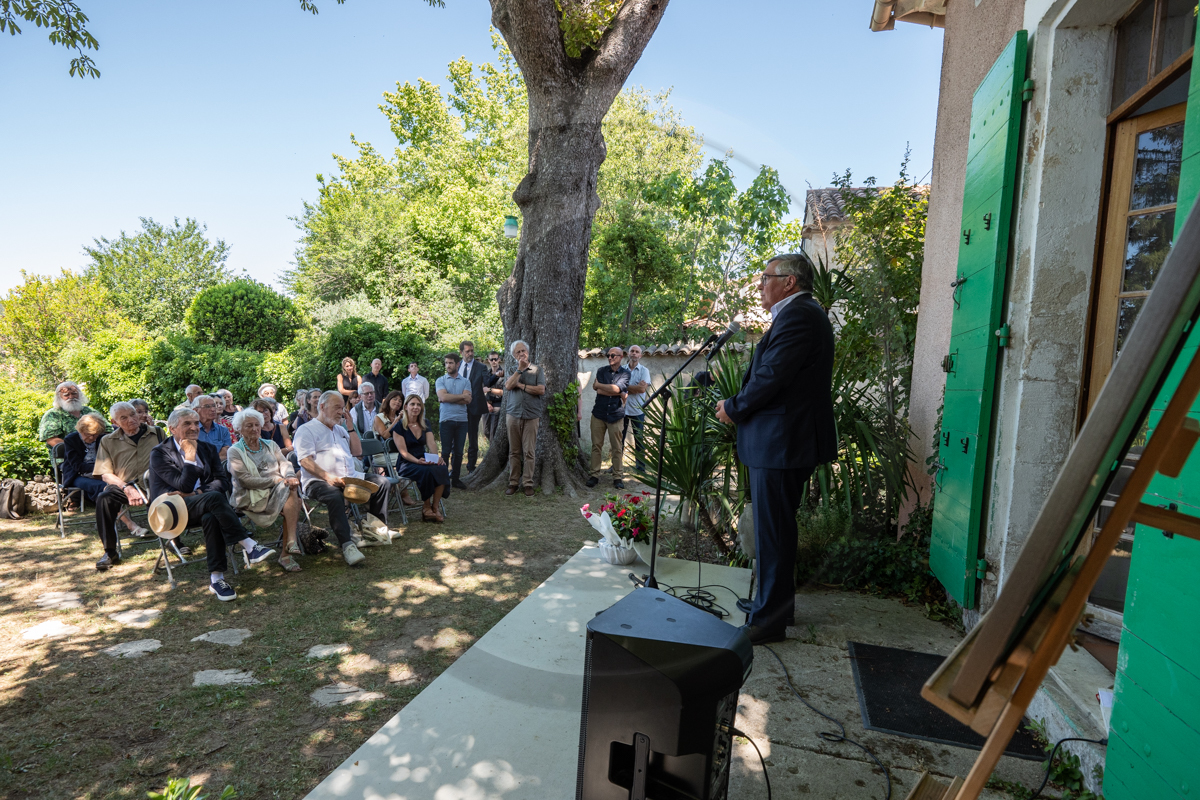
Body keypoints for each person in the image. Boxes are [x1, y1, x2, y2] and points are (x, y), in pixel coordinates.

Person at [716, 252, 836, 646]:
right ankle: (774, 607)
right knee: (775, 530)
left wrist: (733, 408)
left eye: (766, 277)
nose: (760, 284)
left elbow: (772, 377)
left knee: (774, 531)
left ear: (790, 281)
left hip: (782, 444)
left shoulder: (800, 315)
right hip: (779, 443)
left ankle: (770, 621)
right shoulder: (797, 314)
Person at [149, 407, 276, 601]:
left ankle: (216, 579)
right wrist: (190, 457)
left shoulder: (207, 448)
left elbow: (222, 481)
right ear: (172, 428)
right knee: (215, 499)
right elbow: (182, 484)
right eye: (187, 424)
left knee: (211, 514)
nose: (194, 427)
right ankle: (248, 544)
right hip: (170, 511)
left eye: (195, 423)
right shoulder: (160, 453)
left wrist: (196, 493)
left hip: (204, 505)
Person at [293, 391, 389, 566]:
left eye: (342, 407)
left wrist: (350, 427)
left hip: (349, 477)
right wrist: (328, 477)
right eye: (336, 407)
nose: (341, 411)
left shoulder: (340, 429)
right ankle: (348, 545)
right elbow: (304, 461)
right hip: (318, 481)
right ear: (322, 407)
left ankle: (375, 530)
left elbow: (357, 452)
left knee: (382, 483)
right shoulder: (305, 430)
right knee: (334, 495)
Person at [90, 402, 170, 570]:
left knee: (169, 493)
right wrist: (126, 488)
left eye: (133, 414)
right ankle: (110, 551)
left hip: (155, 484)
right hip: (125, 486)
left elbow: (170, 459)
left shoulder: (156, 433)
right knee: (104, 498)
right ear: (115, 421)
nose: (131, 419)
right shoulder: (107, 441)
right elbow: (105, 473)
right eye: (123, 418)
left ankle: (175, 540)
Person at [229, 408, 304, 572]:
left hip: (278, 490)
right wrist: (276, 480)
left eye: (257, 425)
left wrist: (289, 476)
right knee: (295, 499)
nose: (255, 429)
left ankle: (289, 547)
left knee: (291, 490)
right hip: (250, 497)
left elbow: (285, 464)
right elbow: (245, 480)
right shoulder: (234, 451)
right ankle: (287, 551)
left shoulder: (271, 444)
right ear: (239, 429)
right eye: (249, 425)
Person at [390, 394, 451, 522]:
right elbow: (403, 453)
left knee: (441, 467)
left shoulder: (425, 423)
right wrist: (417, 461)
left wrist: (436, 458)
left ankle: (435, 506)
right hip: (407, 462)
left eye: (418, 405)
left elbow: (431, 443)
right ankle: (426, 507)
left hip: (424, 458)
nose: (416, 407)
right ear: (406, 407)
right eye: (412, 404)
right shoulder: (399, 427)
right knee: (426, 471)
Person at [503, 340, 546, 496]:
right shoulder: (512, 369)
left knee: (529, 452)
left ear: (528, 352)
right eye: (518, 352)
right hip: (513, 415)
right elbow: (508, 386)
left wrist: (521, 385)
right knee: (514, 451)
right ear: (514, 356)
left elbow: (541, 390)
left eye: (523, 351)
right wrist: (519, 371)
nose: (521, 354)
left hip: (531, 415)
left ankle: (527, 483)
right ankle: (513, 482)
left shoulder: (537, 370)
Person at [586, 347, 631, 489]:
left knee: (617, 447)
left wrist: (603, 387)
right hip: (598, 413)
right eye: (608, 355)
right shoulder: (601, 371)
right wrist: (617, 392)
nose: (610, 358)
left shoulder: (625, 373)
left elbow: (616, 389)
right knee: (596, 446)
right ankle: (594, 475)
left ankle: (618, 477)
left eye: (613, 355)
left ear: (621, 356)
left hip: (615, 415)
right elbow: (600, 390)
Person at [436, 353, 472, 490]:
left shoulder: (466, 381)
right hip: (446, 420)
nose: (448, 365)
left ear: (457, 364)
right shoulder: (440, 380)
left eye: (450, 363)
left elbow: (468, 400)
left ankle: (455, 479)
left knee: (458, 452)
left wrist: (449, 397)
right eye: (446, 363)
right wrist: (461, 396)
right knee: (445, 452)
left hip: (462, 421)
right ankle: (444, 481)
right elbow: (442, 397)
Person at [39, 381, 103, 446]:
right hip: (67, 454)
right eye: (66, 395)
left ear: (79, 394)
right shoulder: (52, 415)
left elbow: (108, 431)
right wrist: (75, 449)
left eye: (74, 393)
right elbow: (52, 439)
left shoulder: (90, 411)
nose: (71, 397)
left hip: (96, 453)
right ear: (59, 397)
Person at [458, 340, 489, 473]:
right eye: (467, 351)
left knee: (472, 437)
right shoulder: (457, 366)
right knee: (456, 437)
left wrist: (496, 377)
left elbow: (487, 381)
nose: (470, 353)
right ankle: (455, 467)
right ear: (461, 352)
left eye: (472, 351)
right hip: (457, 407)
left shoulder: (481, 367)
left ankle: (471, 467)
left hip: (474, 407)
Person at [623, 345, 651, 473]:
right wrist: (634, 387)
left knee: (639, 439)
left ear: (640, 355)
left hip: (637, 410)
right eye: (632, 351)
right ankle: (615, 466)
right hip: (622, 409)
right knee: (619, 439)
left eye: (637, 352)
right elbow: (617, 387)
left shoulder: (644, 371)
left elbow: (642, 389)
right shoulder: (622, 369)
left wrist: (625, 387)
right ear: (628, 354)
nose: (634, 354)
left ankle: (640, 468)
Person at [484, 350, 505, 441]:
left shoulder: (504, 374)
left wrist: (490, 390)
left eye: (495, 359)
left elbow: (505, 392)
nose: (494, 361)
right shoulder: (486, 374)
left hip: (498, 404)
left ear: (499, 359)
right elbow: (481, 390)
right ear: (488, 360)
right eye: (491, 359)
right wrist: (487, 404)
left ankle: (492, 451)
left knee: (494, 432)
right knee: (486, 431)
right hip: (486, 404)